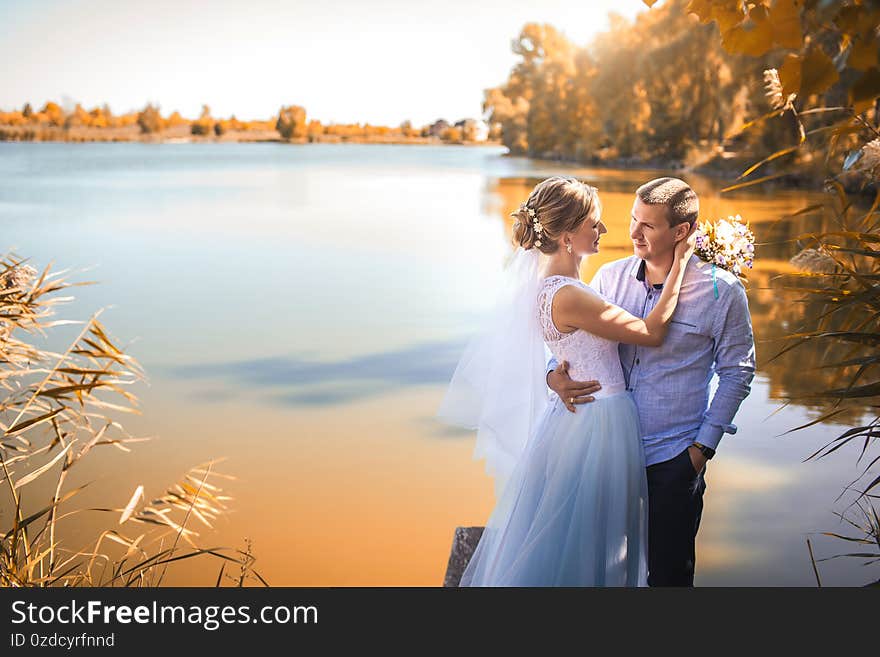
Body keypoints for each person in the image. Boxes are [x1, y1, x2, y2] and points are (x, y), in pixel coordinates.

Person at [439, 176, 695, 586]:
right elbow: (652, 333)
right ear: (565, 238)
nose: (604, 230)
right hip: (599, 421)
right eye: (594, 222)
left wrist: (550, 376)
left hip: (575, 416)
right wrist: (680, 265)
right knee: (590, 538)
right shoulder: (571, 295)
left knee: (573, 532)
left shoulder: (552, 290)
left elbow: (554, 350)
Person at [547, 177, 756, 587]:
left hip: (673, 457)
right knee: (599, 572)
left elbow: (738, 370)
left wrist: (701, 449)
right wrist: (551, 377)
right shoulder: (610, 278)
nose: (633, 232)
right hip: (606, 452)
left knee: (669, 577)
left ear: (682, 232)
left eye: (648, 225)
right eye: (632, 219)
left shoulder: (723, 292)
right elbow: (570, 340)